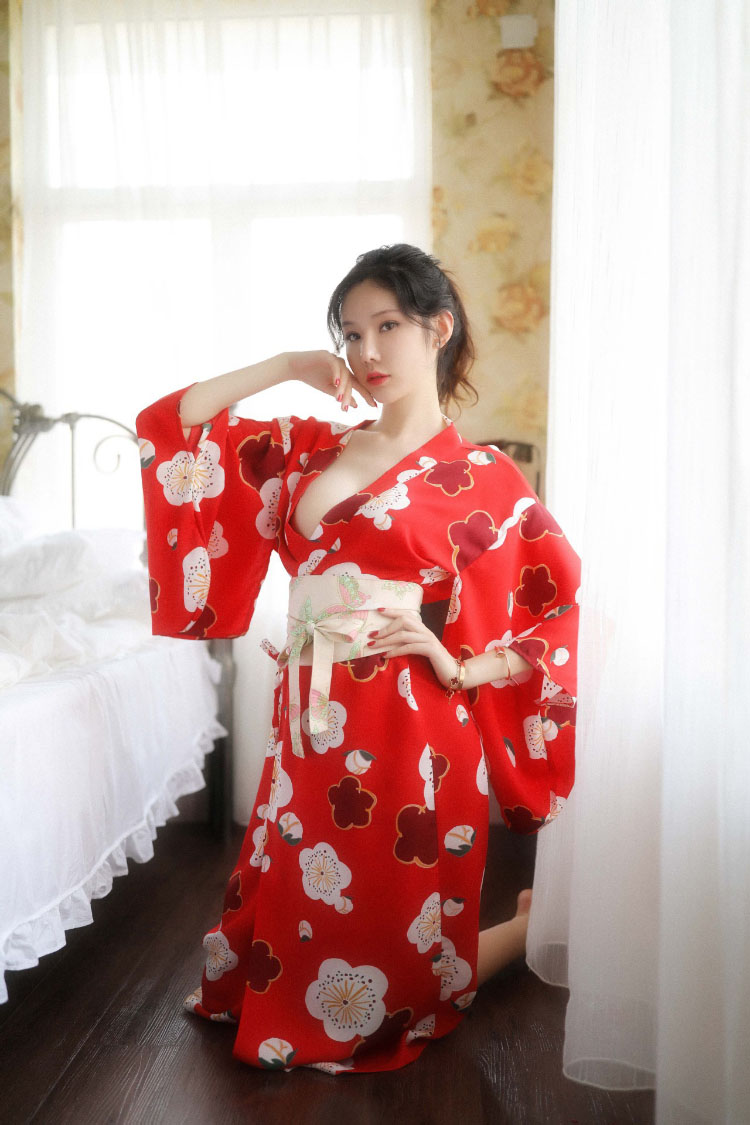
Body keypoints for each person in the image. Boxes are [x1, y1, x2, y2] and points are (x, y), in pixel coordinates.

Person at [135, 243, 580, 1076]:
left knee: (396, 939)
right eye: (349, 332)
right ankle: (516, 926)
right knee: (306, 897)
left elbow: (555, 606)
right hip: (309, 711)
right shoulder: (311, 446)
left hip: (413, 725)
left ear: (438, 328)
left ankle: (522, 929)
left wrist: (461, 667)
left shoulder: (482, 476)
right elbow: (174, 425)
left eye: (388, 326)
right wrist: (288, 363)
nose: (366, 350)